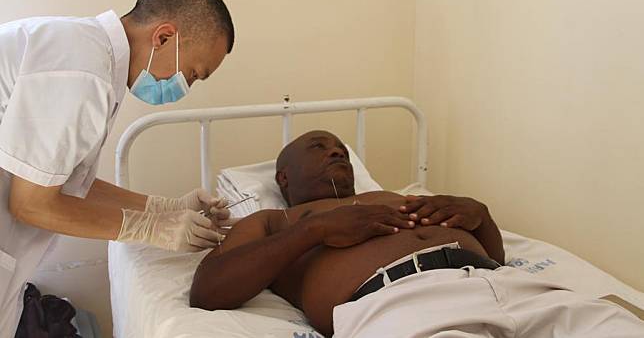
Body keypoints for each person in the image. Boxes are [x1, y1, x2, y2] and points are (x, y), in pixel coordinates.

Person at [190, 130, 644, 337]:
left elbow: (497, 257)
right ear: (283, 178)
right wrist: (314, 231)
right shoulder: (274, 223)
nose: (337, 154)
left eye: (343, 150)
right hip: (402, 309)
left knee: (618, 327)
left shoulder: (391, 196)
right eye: (319, 147)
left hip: (504, 286)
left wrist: (480, 218)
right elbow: (208, 291)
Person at [0, 0, 236, 337]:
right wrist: (149, 229)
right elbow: (31, 204)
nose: (185, 87)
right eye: (192, 74)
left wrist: (164, 208)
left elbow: (64, 184)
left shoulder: (88, 56)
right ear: (163, 37)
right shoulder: (80, 71)